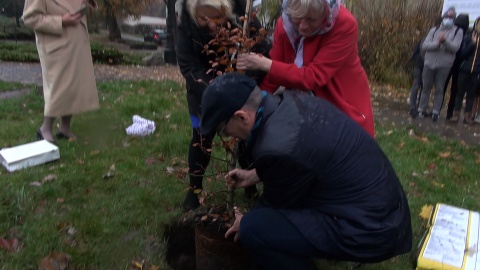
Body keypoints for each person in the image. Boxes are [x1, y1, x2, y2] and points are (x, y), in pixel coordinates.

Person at [199, 73, 412, 269]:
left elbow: (276, 205)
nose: (228, 136)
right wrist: (255, 174)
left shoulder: (277, 147)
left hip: (371, 229)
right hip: (384, 209)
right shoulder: (290, 102)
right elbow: (305, 161)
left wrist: (243, 220)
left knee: (254, 230)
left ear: (242, 117)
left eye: (223, 130)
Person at [176, 0, 270, 211]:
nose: (211, 25)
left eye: (217, 18)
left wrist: (243, 86)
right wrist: (217, 91)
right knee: (201, 136)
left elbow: (262, 51)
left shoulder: (243, 13)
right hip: (201, 93)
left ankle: (250, 184)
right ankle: (194, 190)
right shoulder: (185, 24)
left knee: (248, 137)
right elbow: (189, 67)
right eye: (203, 19)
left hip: (242, 89)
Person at [235, 0, 375, 137]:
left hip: (341, 108)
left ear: (325, 13)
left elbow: (313, 77)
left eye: (311, 19)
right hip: (305, 110)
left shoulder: (344, 24)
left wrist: (263, 63)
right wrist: (252, 107)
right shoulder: (285, 24)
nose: (303, 26)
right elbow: (273, 76)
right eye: (298, 18)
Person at [22, 0, 99, 143]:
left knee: (72, 87)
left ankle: (65, 128)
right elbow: (30, 18)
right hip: (56, 47)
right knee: (59, 88)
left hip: (76, 45)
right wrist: (61, 21)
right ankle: (44, 129)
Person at [417, 7, 463, 121]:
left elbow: (455, 48)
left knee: (439, 89)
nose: (448, 19)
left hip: (444, 65)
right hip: (429, 63)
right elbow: (425, 45)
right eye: (447, 17)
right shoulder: (434, 30)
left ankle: (436, 112)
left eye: (451, 18)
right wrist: (438, 43)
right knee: (426, 87)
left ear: (454, 19)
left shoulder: (458, 31)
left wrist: (445, 42)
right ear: (443, 18)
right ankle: (421, 109)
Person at [450, 16, 480, 124]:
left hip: (476, 71)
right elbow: (462, 54)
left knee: (471, 94)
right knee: (460, 92)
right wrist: (473, 43)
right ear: (476, 24)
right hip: (465, 69)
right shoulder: (468, 36)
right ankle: (456, 114)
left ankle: (467, 116)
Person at [442, 13, 470, 120]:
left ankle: (439, 109)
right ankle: (449, 112)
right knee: (454, 90)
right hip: (459, 65)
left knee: (445, 87)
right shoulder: (467, 35)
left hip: (451, 62)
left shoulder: (455, 32)